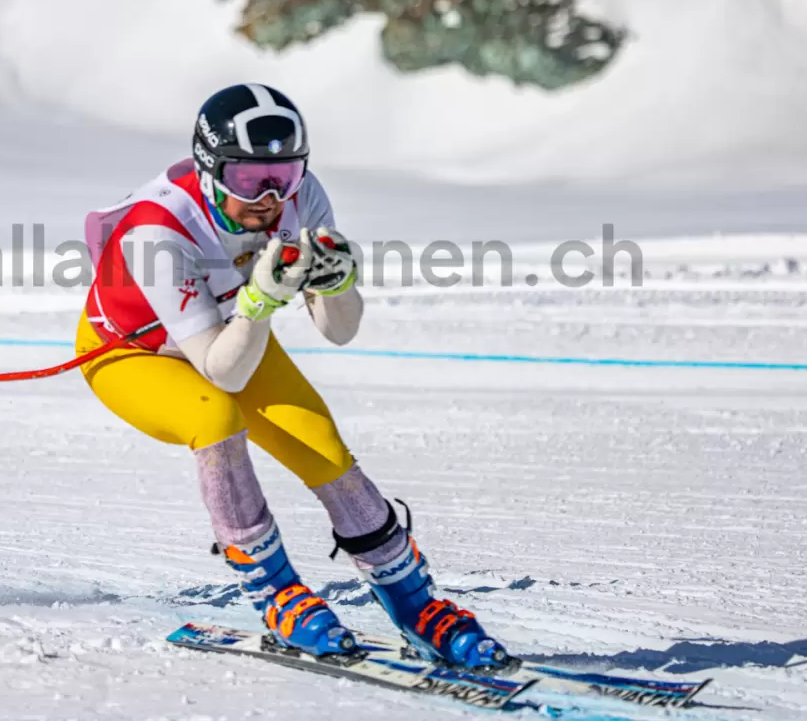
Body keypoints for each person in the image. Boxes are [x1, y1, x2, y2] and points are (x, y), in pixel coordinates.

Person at [75, 83, 513, 669]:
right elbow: (222, 375)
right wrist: (258, 303)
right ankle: (276, 592)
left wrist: (336, 285)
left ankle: (416, 605)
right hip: (134, 354)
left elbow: (340, 331)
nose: (270, 197)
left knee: (324, 450)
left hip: (229, 333)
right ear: (210, 170)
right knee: (214, 418)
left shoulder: (303, 197)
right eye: (248, 179)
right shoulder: (158, 231)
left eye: (284, 174)